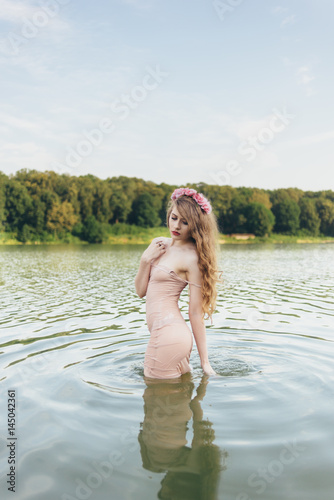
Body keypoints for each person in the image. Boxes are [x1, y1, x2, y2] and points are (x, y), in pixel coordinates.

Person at [134, 187, 221, 379]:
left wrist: (205, 362)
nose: (176, 226)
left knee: (156, 403)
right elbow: (141, 291)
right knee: (166, 405)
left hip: (170, 335)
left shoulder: (192, 259)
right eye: (174, 218)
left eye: (185, 222)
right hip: (163, 334)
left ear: (195, 226)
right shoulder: (158, 244)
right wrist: (145, 260)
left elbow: (195, 312)